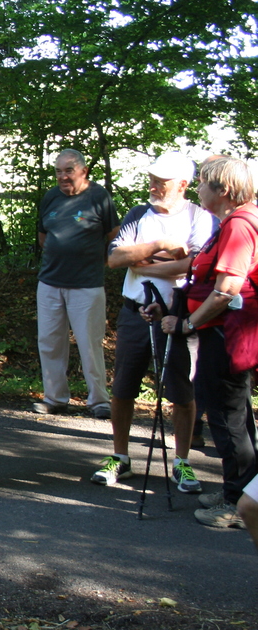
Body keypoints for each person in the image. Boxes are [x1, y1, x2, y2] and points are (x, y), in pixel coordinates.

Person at [92, 153, 214, 490]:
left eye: (161, 182)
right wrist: (160, 246)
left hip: (178, 316)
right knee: (123, 388)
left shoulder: (199, 218)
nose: (154, 186)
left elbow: (193, 266)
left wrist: (143, 262)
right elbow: (116, 258)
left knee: (181, 391)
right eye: (152, 179)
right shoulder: (138, 214)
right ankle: (120, 457)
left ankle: (182, 462)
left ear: (182, 185)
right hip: (134, 312)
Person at [156, 157, 258, 529]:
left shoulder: (240, 225)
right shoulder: (235, 221)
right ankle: (239, 491)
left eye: (202, 183)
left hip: (228, 334)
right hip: (226, 333)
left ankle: (237, 504)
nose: (197, 189)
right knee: (233, 415)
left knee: (227, 418)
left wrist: (187, 323)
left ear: (223, 190)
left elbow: (226, 289)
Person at [34, 149, 119, 418]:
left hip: (87, 285)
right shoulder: (51, 197)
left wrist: (95, 263)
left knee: (89, 344)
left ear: (83, 171)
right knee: (49, 342)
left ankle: (99, 400)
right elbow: (43, 237)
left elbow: (115, 238)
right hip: (50, 282)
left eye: (68, 170)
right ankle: (55, 398)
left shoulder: (99, 197)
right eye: (58, 171)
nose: (63, 176)